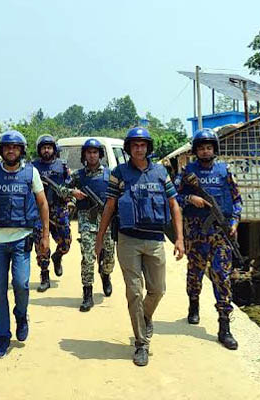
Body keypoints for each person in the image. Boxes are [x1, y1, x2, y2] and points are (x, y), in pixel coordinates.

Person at [95, 127, 184, 367]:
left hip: (155, 240)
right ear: (128, 148)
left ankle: (144, 317)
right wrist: (100, 237)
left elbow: (174, 205)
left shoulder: (160, 172)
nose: (139, 148)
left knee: (158, 290)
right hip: (128, 240)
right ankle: (141, 343)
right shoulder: (119, 173)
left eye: (143, 144)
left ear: (148, 147)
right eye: (134, 145)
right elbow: (110, 206)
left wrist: (179, 238)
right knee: (134, 291)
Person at [0, 130, 50, 359]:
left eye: (15, 147)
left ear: (21, 150)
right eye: (6, 147)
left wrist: (45, 236)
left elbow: (43, 204)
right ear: (1, 151)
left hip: (22, 238)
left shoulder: (31, 172)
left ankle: (21, 315)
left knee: (22, 284)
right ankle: (3, 336)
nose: (11, 150)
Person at [176, 128, 242, 350]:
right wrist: (190, 198)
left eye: (209, 147)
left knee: (222, 276)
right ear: (196, 151)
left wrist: (234, 221)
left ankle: (224, 326)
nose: (205, 151)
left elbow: (237, 200)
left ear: (214, 149)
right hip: (195, 232)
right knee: (195, 272)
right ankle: (193, 304)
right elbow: (173, 195)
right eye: (202, 148)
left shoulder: (225, 171)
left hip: (220, 233)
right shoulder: (188, 172)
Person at [69, 138, 116, 312]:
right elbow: (61, 190)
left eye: (95, 152)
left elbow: (119, 194)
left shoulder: (110, 175)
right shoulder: (78, 176)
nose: (92, 155)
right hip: (86, 220)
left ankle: (105, 274)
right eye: (88, 152)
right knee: (88, 257)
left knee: (109, 256)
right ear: (84, 155)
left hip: (107, 221)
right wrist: (72, 193)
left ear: (100, 155)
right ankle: (87, 294)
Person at [31, 134, 72, 292]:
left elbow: (70, 185)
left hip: (59, 209)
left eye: (49, 147)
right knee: (41, 243)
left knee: (66, 243)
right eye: (43, 148)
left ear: (54, 149)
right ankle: (44, 275)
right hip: (39, 210)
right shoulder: (32, 167)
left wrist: (70, 201)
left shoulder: (62, 166)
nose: (46, 150)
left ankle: (58, 257)